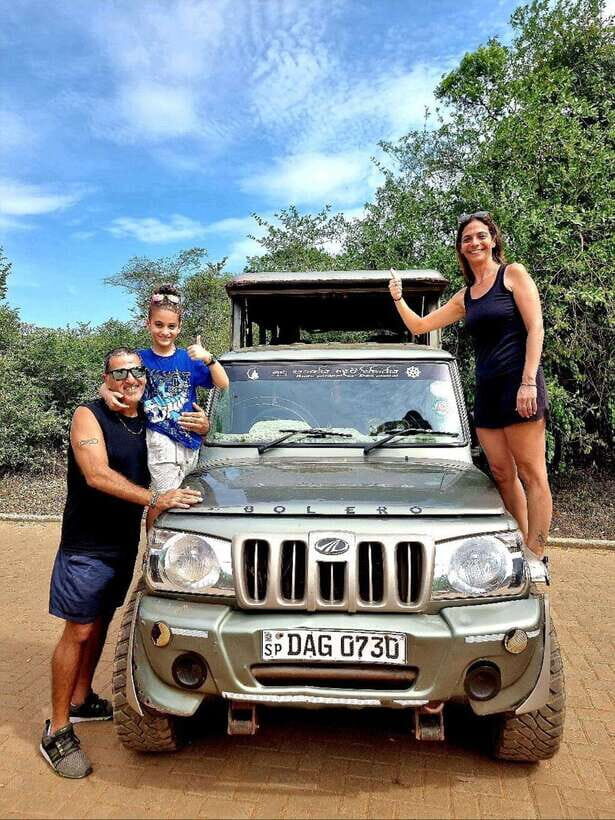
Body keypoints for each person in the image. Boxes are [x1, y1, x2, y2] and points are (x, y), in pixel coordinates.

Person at [41, 348, 203, 779]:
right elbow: (95, 474)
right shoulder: (88, 415)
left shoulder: (145, 417)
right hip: (85, 546)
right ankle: (56, 729)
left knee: (101, 621)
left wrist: (203, 424)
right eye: (119, 374)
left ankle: (82, 701)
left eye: (136, 372)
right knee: (77, 629)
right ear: (106, 377)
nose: (129, 380)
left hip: (120, 544)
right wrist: (154, 498)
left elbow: (184, 428)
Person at [389, 211, 551, 557]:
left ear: (493, 240)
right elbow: (420, 327)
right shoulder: (467, 296)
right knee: (501, 472)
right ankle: (520, 546)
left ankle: (537, 555)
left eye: (480, 236)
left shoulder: (513, 274)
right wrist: (398, 298)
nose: (474, 243)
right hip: (488, 392)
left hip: (520, 385)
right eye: (467, 239)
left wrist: (528, 383)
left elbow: (536, 327)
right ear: (461, 249)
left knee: (532, 473)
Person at [102, 284, 229, 530]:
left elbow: (223, 384)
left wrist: (209, 358)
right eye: (159, 325)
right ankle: (153, 553)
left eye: (171, 326)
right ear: (148, 324)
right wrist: (106, 391)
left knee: (187, 501)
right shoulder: (139, 359)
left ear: (179, 328)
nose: (165, 331)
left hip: (192, 441)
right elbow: (112, 378)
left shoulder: (188, 359)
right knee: (163, 500)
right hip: (161, 439)